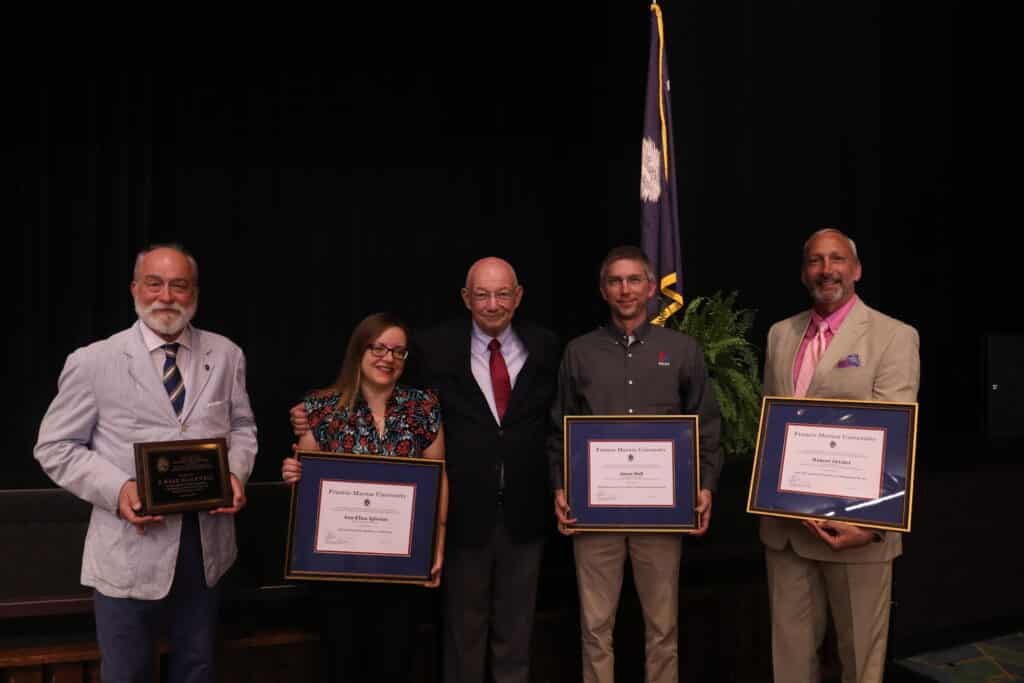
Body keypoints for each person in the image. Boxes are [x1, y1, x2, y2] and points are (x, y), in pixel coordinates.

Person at [290, 258, 559, 683]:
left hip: (525, 514)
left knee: (517, 638)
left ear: (519, 296)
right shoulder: (433, 348)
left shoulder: (547, 347)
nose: (492, 304)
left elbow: (561, 422)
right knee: (460, 640)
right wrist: (309, 422)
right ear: (466, 298)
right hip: (459, 521)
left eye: (503, 293)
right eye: (482, 294)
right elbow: (376, 387)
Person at [34, 244, 257, 683]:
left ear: (194, 292)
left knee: (197, 669)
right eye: (154, 283)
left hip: (205, 549)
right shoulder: (92, 361)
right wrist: (118, 489)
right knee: (127, 674)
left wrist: (235, 472)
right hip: (127, 551)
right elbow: (55, 446)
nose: (166, 296)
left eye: (179, 285)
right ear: (135, 289)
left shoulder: (227, 355)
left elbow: (243, 427)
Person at [548, 245, 723, 683]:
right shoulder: (579, 352)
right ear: (603, 291)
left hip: (661, 514)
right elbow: (559, 430)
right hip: (594, 514)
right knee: (594, 627)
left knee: (662, 629)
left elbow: (706, 424)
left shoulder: (682, 350)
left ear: (650, 289)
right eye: (615, 281)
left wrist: (704, 487)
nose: (625, 290)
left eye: (633, 281)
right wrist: (559, 488)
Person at [761, 228, 920, 683]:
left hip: (857, 532)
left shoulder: (894, 336)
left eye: (836, 259)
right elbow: (773, 424)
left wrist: (871, 525)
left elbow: (896, 436)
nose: (826, 270)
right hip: (787, 531)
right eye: (815, 260)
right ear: (803, 272)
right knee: (790, 665)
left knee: (861, 667)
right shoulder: (779, 334)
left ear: (856, 270)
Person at [280, 312, 447, 683]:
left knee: (396, 661)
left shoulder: (423, 407)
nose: (388, 358)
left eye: (399, 352)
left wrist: (437, 544)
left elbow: (438, 478)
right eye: (379, 348)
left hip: (400, 566)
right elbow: (306, 483)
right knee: (342, 662)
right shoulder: (319, 408)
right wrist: (293, 475)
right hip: (339, 567)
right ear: (360, 350)